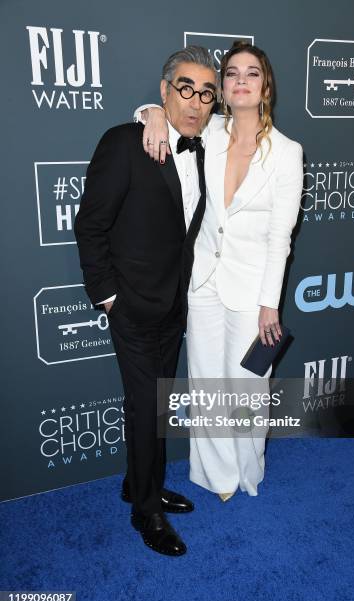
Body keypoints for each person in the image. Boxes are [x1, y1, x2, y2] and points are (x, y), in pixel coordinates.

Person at [135, 41, 303, 501]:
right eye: (232, 74)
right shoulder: (208, 133)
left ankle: (246, 472)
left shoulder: (287, 152)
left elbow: (280, 237)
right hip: (202, 281)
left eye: (252, 72)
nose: (242, 80)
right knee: (207, 382)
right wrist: (149, 112)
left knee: (247, 387)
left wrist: (270, 304)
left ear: (265, 85)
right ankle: (214, 476)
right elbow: (167, 112)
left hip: (252, 291)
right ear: (223, 88)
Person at [74, 46, 217, 556]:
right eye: (185, 88)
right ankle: (146, 512)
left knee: (154, 405)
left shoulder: (207, 145)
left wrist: (154, 113)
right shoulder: (125, 143)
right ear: (163, 91)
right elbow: (90, 226)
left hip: (173, 304)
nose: (196, 101)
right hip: (131, 306)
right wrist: (108, 296)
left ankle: (141, 485)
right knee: (144, 404)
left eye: (206, 92)